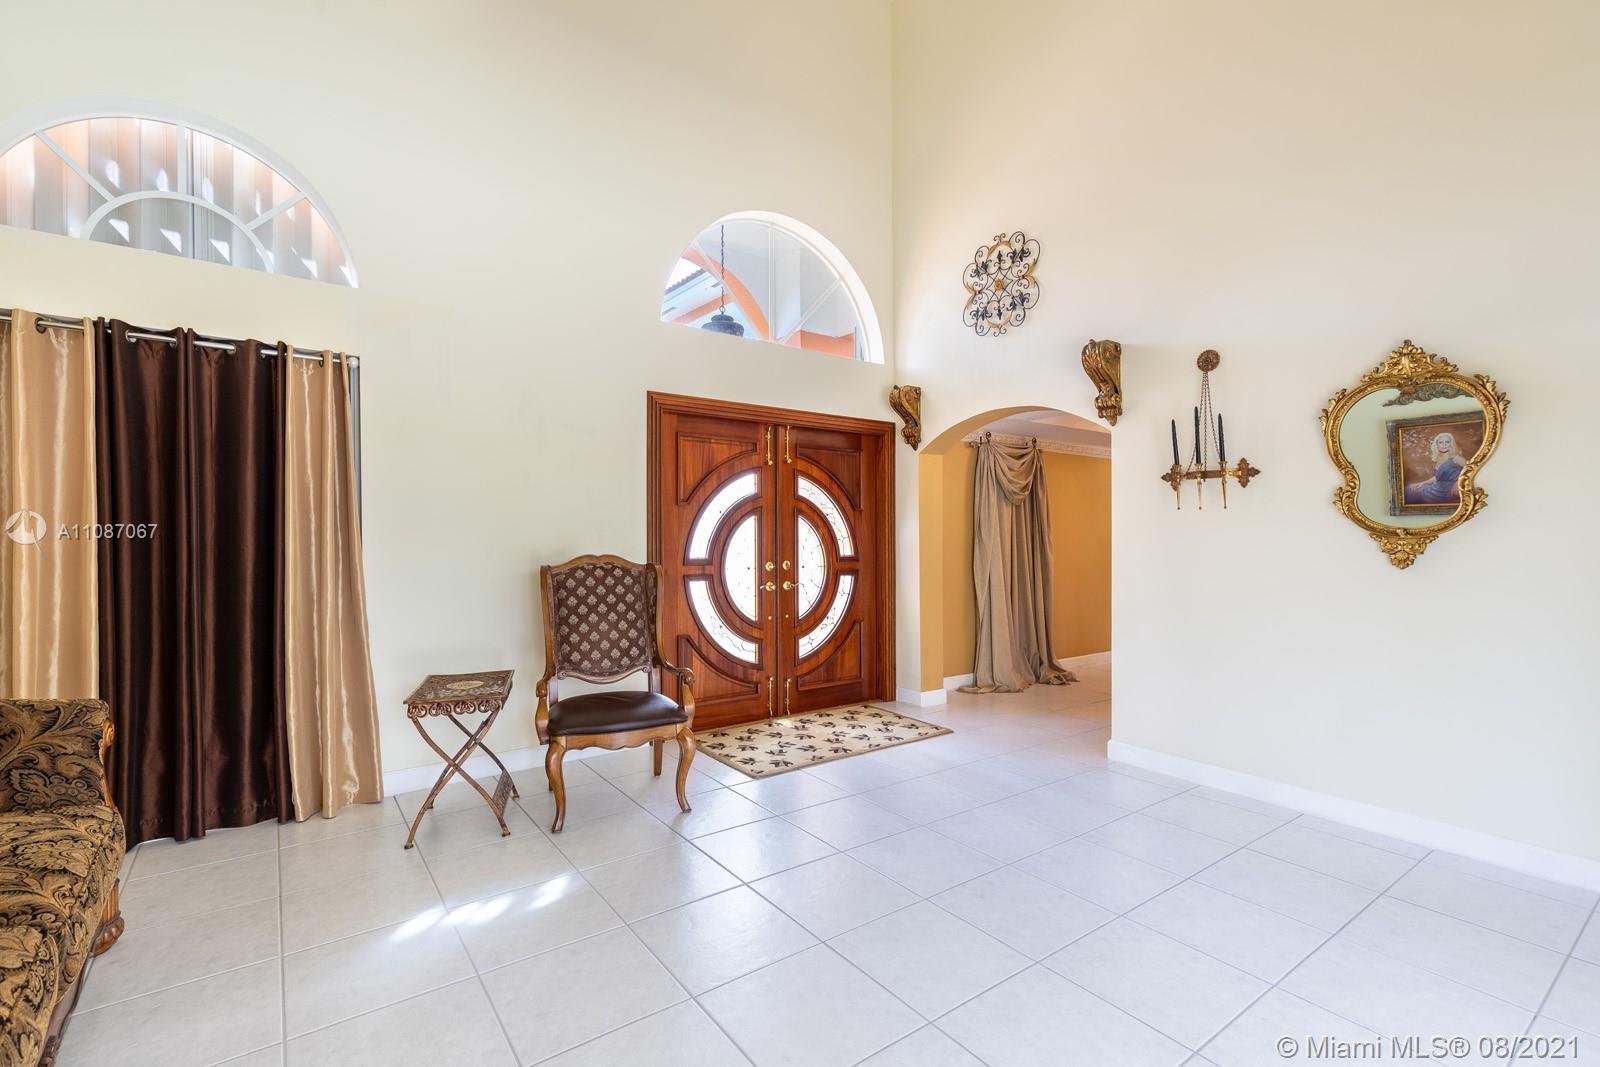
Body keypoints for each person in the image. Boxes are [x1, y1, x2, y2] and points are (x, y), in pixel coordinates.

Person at [1405, 430, 1468, 505]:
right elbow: (1437, 477)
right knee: (1410, 488)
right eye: (1441, 442)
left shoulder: (1456, 458)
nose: (1444, 445)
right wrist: (1422, 483)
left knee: (1409, 492)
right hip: (1436, 488)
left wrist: (1457, 483)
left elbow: (1471, 469)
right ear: (1437, 445)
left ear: (1451, 444)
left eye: (1447, 442)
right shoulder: (1438, 459)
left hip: (1446, 491)